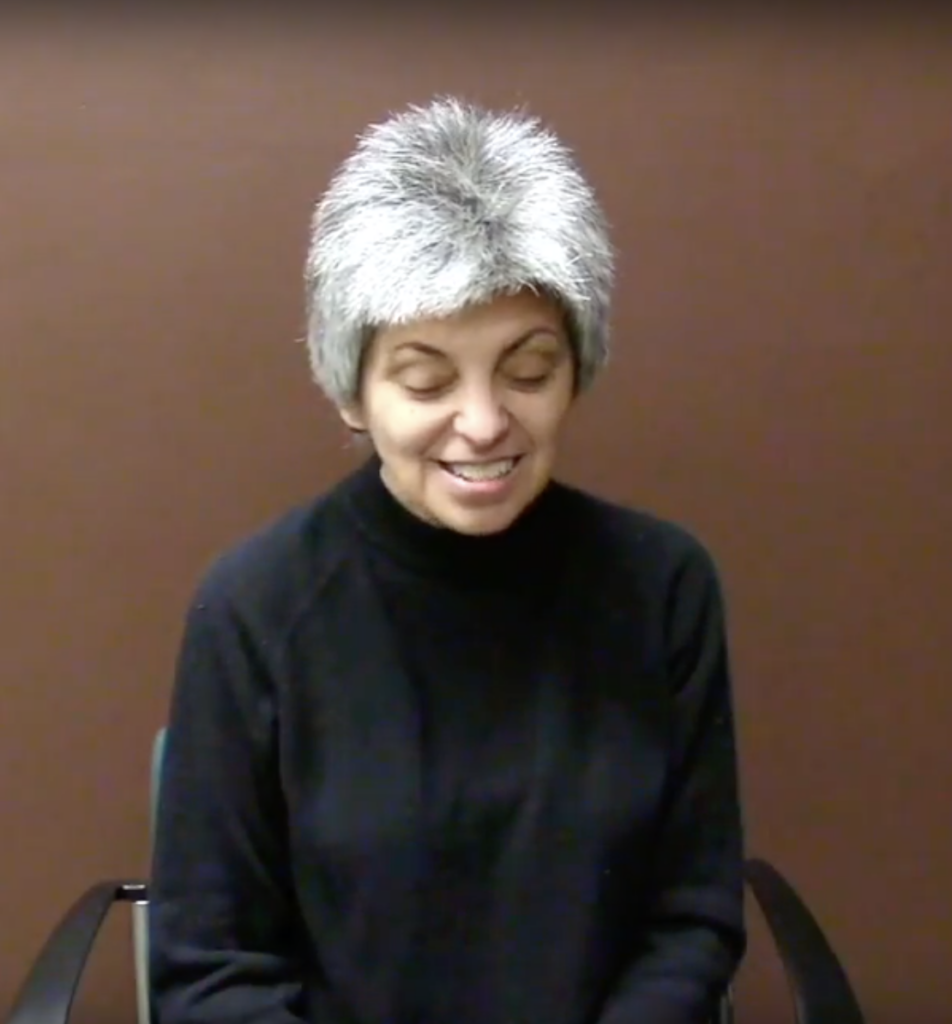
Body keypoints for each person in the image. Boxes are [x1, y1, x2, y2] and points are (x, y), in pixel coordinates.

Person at [148, 96, 747, 1024]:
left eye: (528, 369)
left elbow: (692, 922)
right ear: (352, 391)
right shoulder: (255, 609)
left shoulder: (663, 586)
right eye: (426, 378)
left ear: (577, 370)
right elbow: (213, 968)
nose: (482, 422)